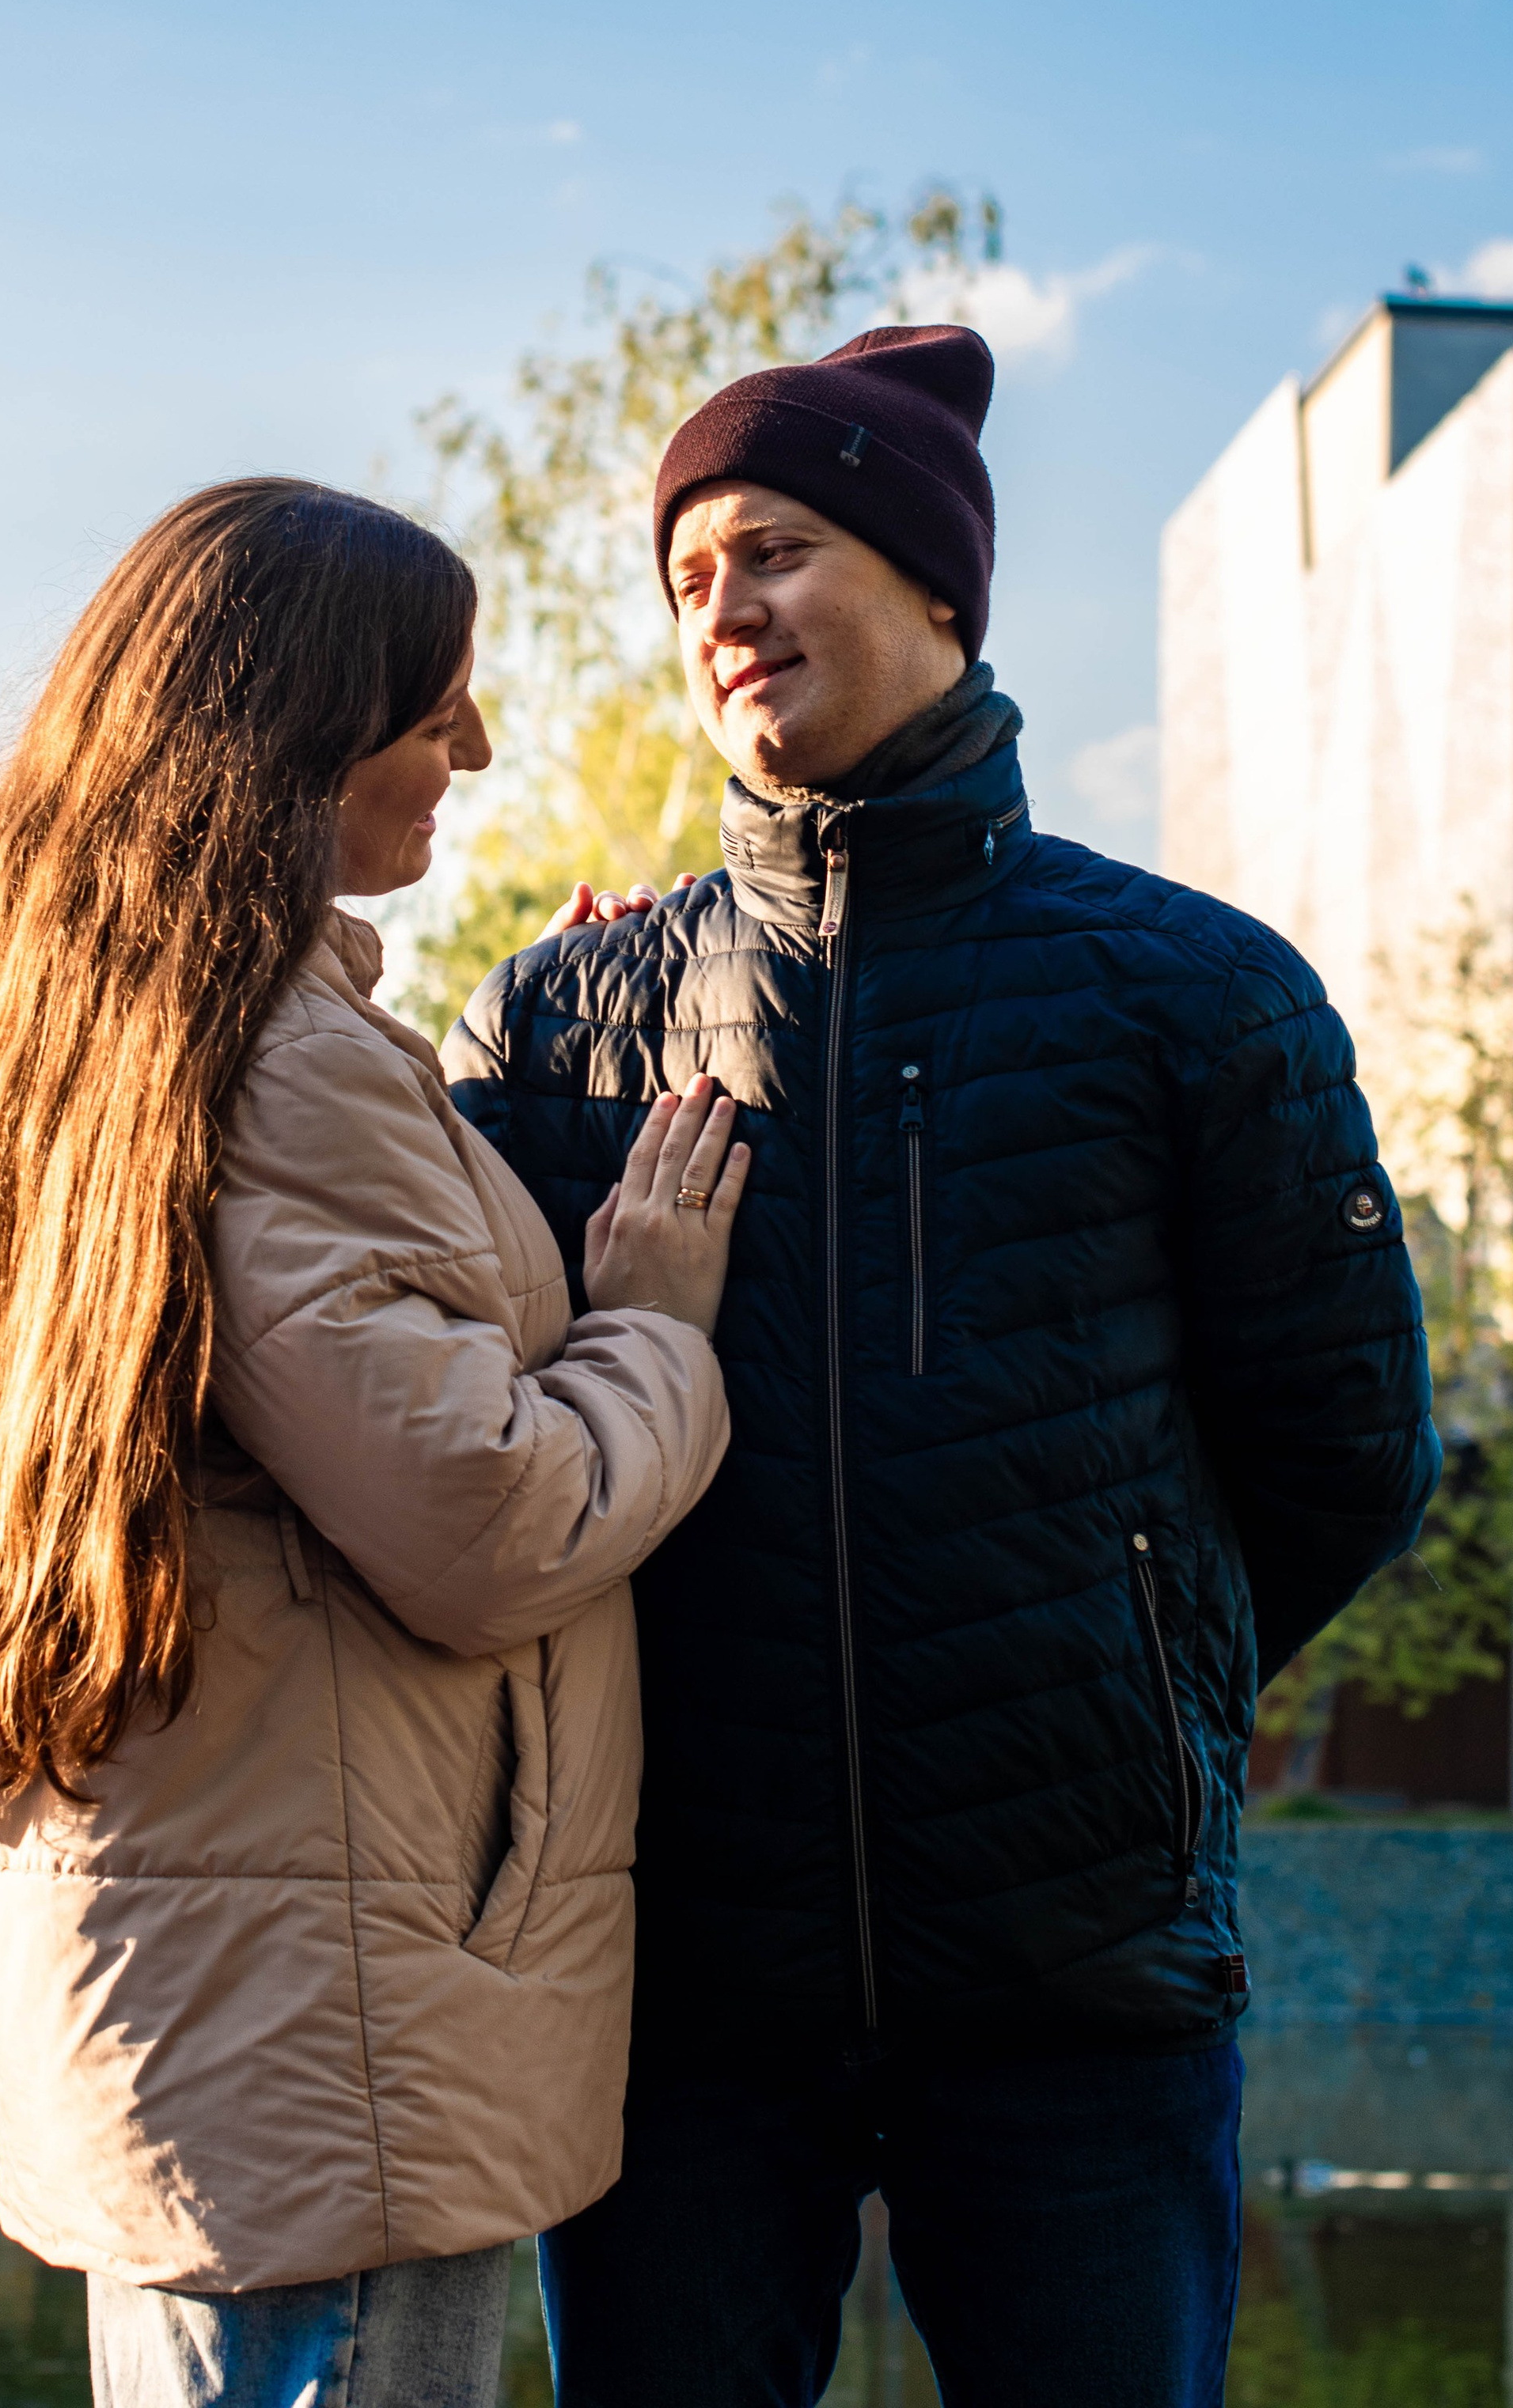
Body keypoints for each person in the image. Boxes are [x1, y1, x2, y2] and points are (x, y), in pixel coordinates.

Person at [445, 328, 1441, 2408]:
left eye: (775, 550)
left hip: (1082, 1997)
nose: (723, 614)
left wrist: (1125, 1681)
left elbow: (1348, 1455)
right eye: (688, 579)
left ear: (939, 590)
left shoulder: (1193, 995)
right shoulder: (561, 1022)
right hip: (678, 1989)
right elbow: (462, 1448)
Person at [0, 477, 745, 2408]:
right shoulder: (269, 1056)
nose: (478, 748)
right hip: (339, 2035)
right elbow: (488, 1518)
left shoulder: (106, 1029)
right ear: (292, 720)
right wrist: (656, 1324)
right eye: (433, 705)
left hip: (248, 2006)